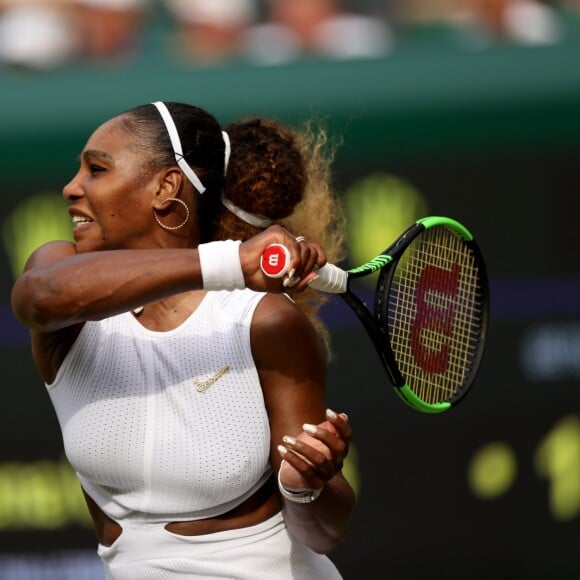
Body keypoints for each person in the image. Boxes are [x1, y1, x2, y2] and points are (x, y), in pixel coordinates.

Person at [10, 101, 355, 579]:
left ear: (165, 187)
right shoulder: (59, 284)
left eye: (96, 169)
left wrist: (305, 485)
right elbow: (39, 297)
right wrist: (231, 263)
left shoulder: (267, 321)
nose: (72, 187)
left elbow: (323, 533)